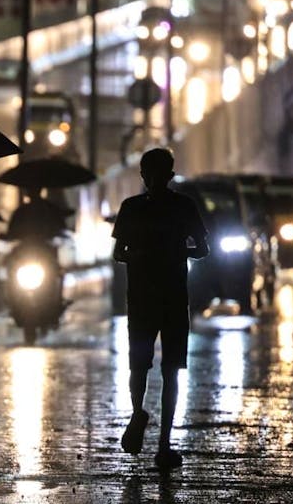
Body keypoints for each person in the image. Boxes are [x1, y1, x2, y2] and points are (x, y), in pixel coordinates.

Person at [111, 148, 208, 469]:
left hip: (140, 297)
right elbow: (203, 250)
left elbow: (118, 253)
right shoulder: (184, 206)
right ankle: (164, 444)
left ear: (143, 176)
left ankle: (138, 412)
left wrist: (139, 255)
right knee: (171, 370)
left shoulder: (131, 207)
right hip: (173, 297)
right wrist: (179, 248)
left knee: (139, 365)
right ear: (170, 175)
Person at [4, 187, 69, 241]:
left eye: (34, 189)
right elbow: (12, 230)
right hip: (25, 248)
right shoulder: (21, 211)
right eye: (30, 189)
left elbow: (61, 228)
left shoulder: (50, 209)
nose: (32, 191)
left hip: (47, 248)